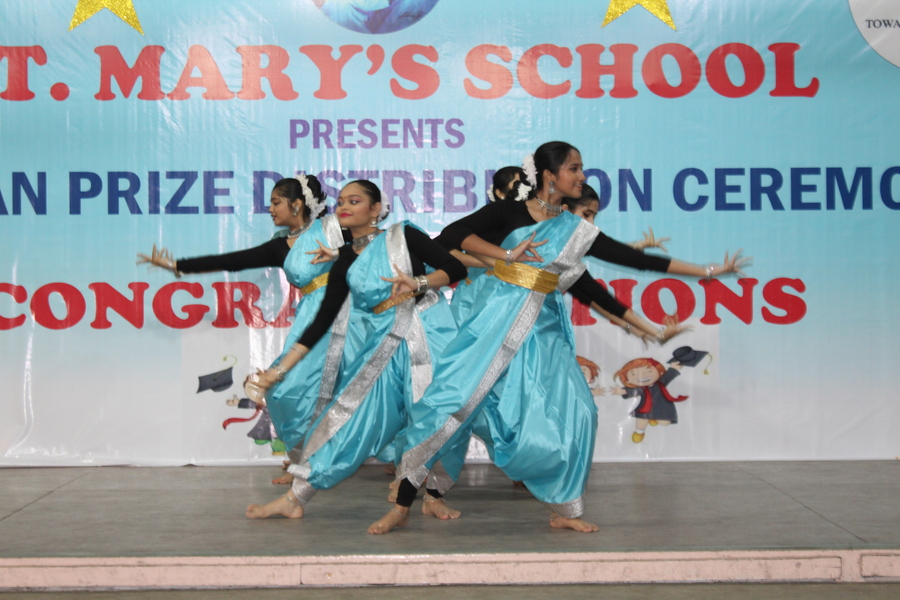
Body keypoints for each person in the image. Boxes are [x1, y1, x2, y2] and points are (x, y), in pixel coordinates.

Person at [373, 141, 749, 534]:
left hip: (544, 333)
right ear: (550, 176)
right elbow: (452, 235)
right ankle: (403, 505)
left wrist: (707, 271)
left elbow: (632, 261)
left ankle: (562, 508)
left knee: (581, 412)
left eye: (581, 168)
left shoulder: (574, 230)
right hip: (492, 322)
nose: (582, 176)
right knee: (449, 402)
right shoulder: (509, 212)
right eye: (574, 168)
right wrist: (505, 256)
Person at [243, 180, 467, 525]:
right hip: (382, 343)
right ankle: (295, 498)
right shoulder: (345, 258)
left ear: (376, 209)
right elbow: (322, 321)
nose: (344, 207)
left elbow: (455, 268)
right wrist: (279, 370)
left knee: (436, 416)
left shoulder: (403, 236)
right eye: (341, 202)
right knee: (349, 420)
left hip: (428, 333)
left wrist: (418, 283)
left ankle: (433, 495)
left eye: (355, 201)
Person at [137, 175, 348, 469]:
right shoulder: (280, 245)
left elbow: (370, 248)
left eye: (276, 202)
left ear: (297, 204)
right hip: (312, 317)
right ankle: (305, 457)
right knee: (284, 391)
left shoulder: (331, 229)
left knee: (359, 384)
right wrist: (177, 265)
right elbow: (234, 260)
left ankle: (326, 462)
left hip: (346, 311)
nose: (270, 209)